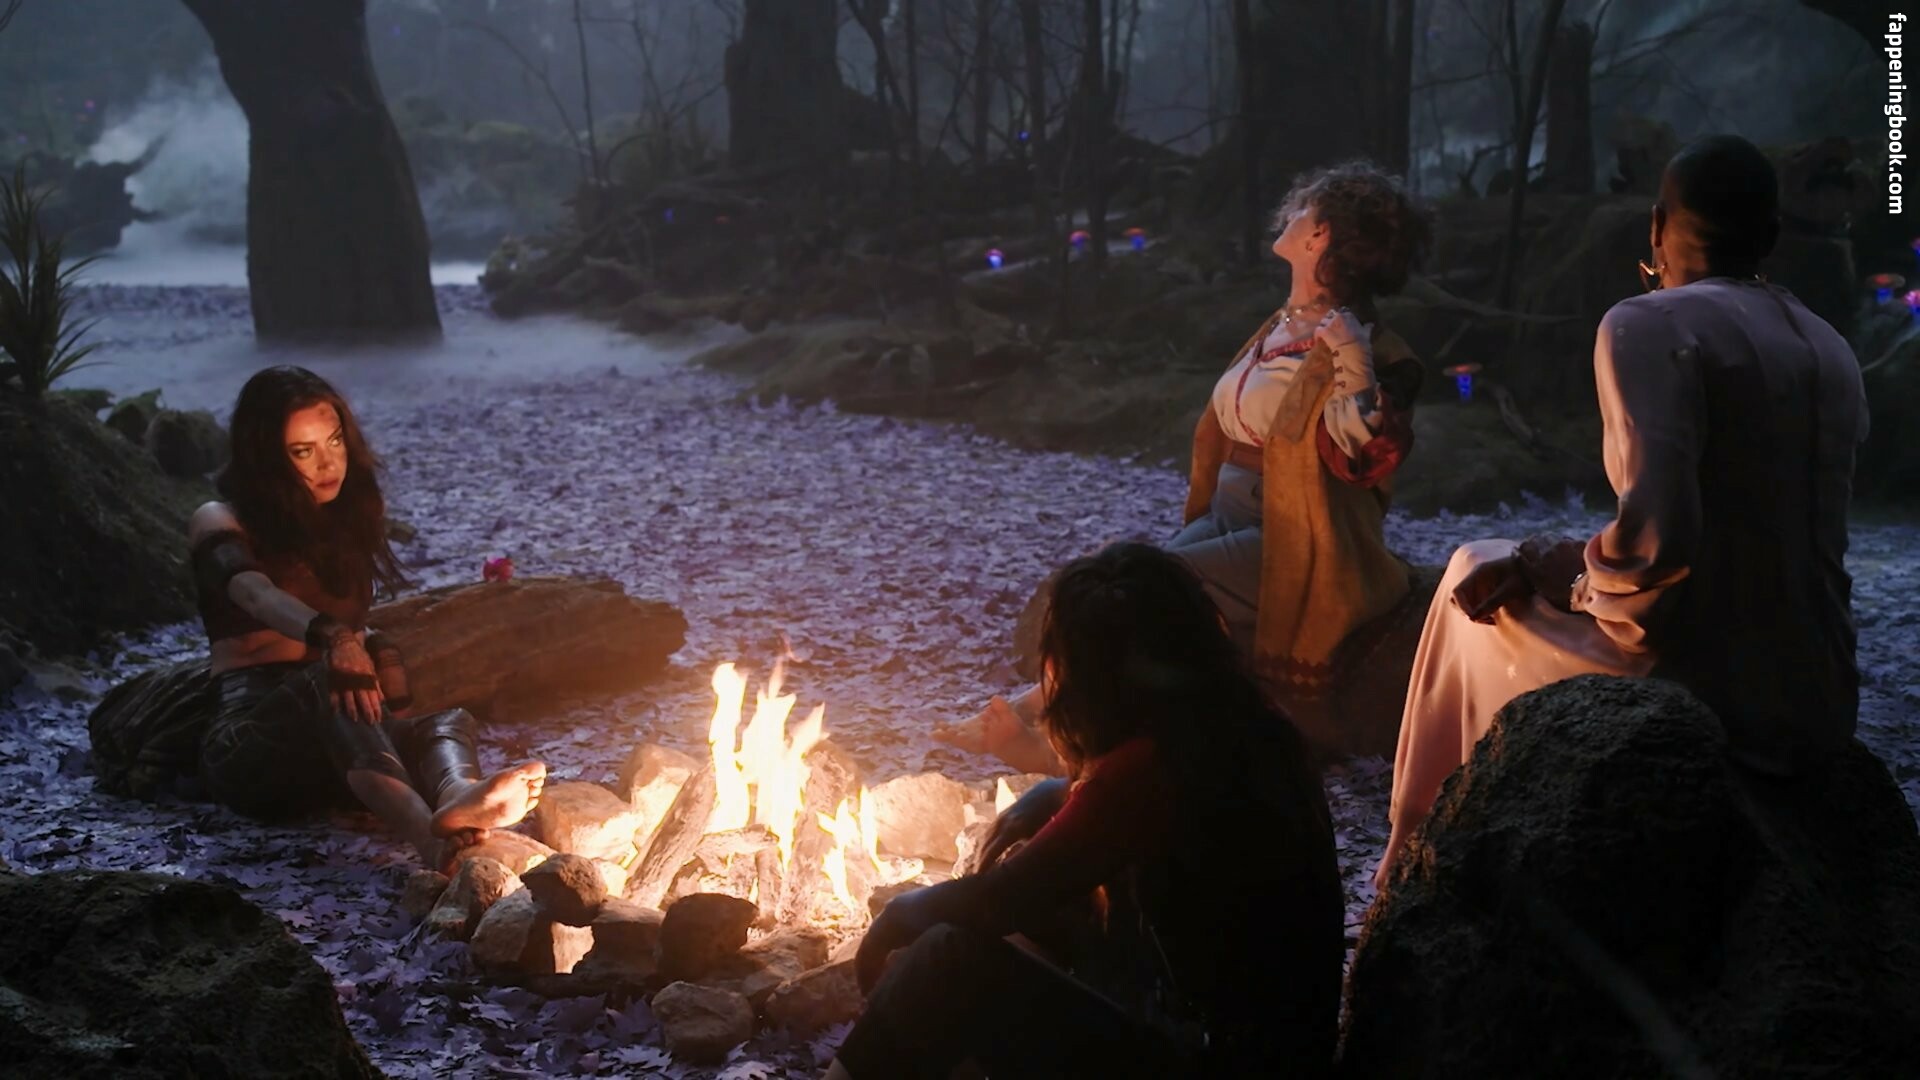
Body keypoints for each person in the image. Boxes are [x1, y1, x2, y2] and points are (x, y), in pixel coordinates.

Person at [1375, 135, 1871, 889]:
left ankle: (1423, 862)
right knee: (1514, 563)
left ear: (1656, 226)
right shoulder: (1829, 344)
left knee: (1472, 571)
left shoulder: (1650, 324)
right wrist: (1576, 564)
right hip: (1820, 691)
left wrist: (1571, 580)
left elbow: (1658, 551)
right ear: (1772, 236)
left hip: (1709, 689)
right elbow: (1745, 526)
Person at [938, 160, 1432, 774]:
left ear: (1321, 236)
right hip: (1230, 509)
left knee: (1141, 597)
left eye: (1304, 207)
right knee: (1120, 585)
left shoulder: (1367, 345)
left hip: (1293, 534)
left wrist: (1353, 358)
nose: (1289, 212)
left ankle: (1053, 738)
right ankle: (1060, 727)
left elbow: (1363, 452)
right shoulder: (1280, 325)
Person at [832, 543, 1345, 1079]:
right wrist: (1052, 795)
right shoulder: (1244, 724)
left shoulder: (1150, 770)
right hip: (1273, 1050)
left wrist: (900, 914)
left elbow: (1001, 900)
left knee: (946, 964)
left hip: (1217, 1061)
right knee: (1049, 925)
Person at [188, 365, 547, 868]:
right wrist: (335, 638)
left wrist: (375, 656)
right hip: (247, 746)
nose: (328, 462)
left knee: (444, 722)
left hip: (331, 747)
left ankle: (458, 796)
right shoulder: (219, 518)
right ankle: (425, 834)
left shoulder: (343, 526)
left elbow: (361, 645)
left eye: (335, 441)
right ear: (264, 457)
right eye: (303, 451)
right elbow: (255, 594)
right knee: (325, 681)